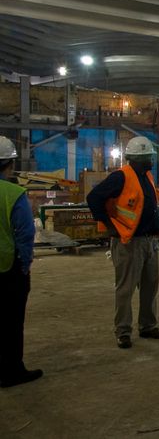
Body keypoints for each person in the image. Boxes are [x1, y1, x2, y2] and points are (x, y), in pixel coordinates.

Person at [87, 136, 159, 349]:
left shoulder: (146, 176)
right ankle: (123, 331)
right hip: (128, 242)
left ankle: (148, 326)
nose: (152, 160)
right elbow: (94, 198)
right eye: (149, 157)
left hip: (149, 241)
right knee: (126, 289)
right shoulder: (121, 177)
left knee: (150, 286)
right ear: (137, 159)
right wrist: (109, 225)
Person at [0, 136, 42, 388]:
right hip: (8, 268)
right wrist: (25, 265)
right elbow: (26, 235)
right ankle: (12, 371)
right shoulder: (14, 194)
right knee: (11, 322)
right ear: (9, 164)